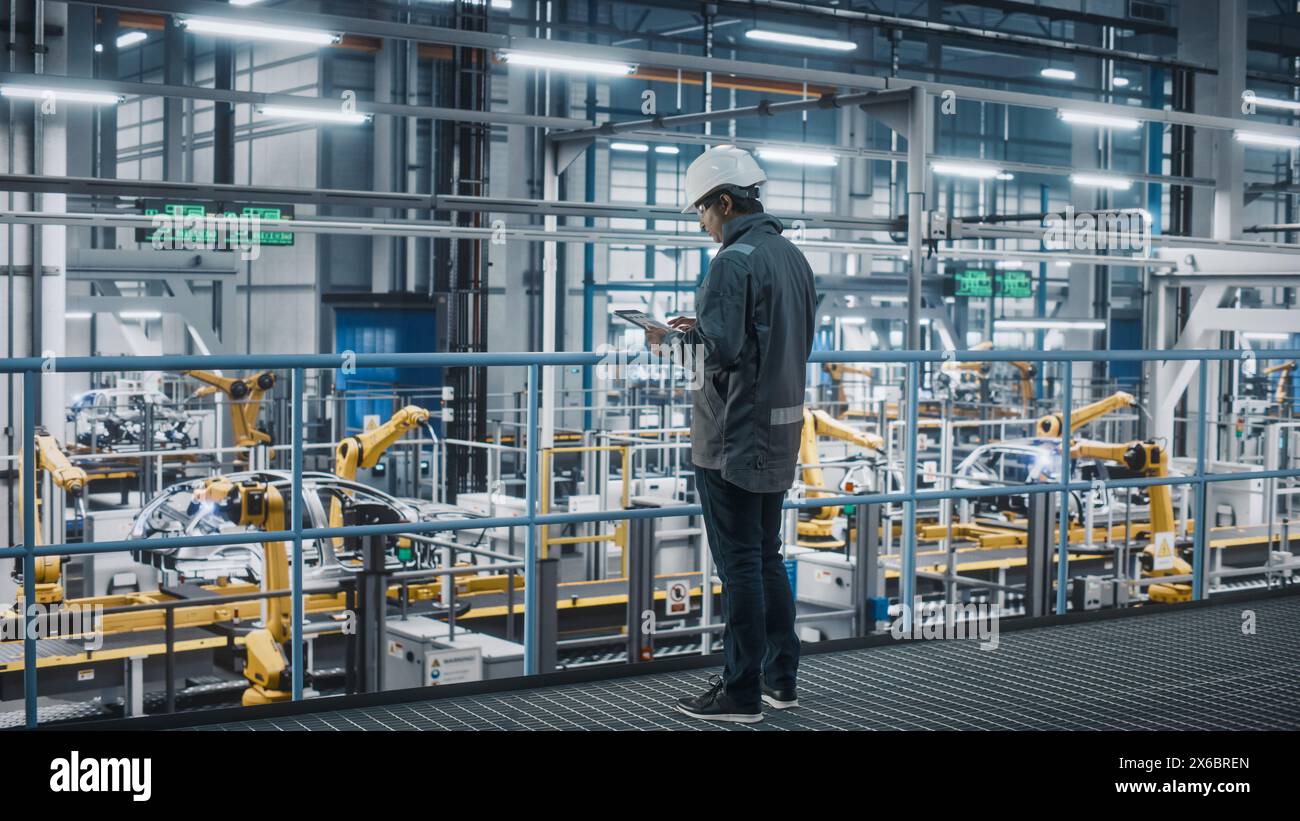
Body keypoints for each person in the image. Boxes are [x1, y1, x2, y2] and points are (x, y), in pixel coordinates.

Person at [644, 145, 817, 723]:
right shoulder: (792, 257)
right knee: (766, 556)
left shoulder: (732, 261)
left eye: (700, 209)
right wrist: (710, 326)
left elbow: (715, 353)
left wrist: (667, 340)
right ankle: (779, 681)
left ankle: (739, 693)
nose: (700, 221)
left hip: (731, 437)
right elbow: (758, 335)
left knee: (739, 564)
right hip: (780, 427)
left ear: (724, 201)